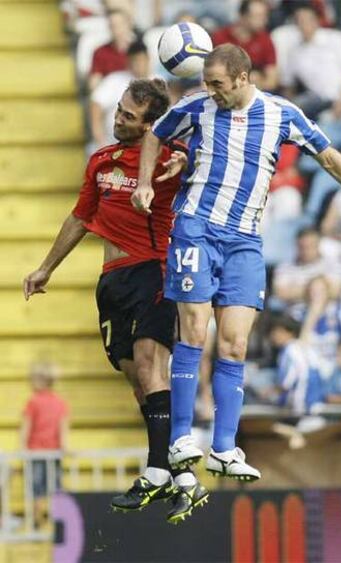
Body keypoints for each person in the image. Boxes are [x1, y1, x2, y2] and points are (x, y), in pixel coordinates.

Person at [131, 44, 341, 482]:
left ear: (243, 77)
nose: (211, 90)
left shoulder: (282, 114)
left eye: (218, 84)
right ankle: (183, 437)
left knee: (235, 344)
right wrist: (145, 183)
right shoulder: (196, 108)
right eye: (206, 82)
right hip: (196, 228)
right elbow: (155, 134)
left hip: (244, 240)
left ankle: (224, 447)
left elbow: (328, 155)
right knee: (194, 327)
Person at [23, 79, 207, 525]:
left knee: (150, 368)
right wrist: (47, 267)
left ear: (150, 125)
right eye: (120, 109)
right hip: (112, 284)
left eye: (128, 115)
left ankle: (158, 469)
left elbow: (202, 164)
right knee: (136, 381)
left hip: (154, 272)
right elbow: (81, 216)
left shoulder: (166, 160)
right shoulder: (101, 160)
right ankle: (184, 480)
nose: (118, 117)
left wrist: (185, 158)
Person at [281, 3, 341, 121]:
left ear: (316, 21)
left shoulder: (336, 37)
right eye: (299, 21)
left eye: (308, 20)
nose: (304, 24)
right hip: (320, 100)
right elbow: (288, 85)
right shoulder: (294, 52)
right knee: (291, 109)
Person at [21, 362, 69, 528]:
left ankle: (37, 517)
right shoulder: (60, 402)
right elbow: (63, 427)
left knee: (36, 487)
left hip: (36, 452)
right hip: (53, 453)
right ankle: (56, 517)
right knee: (55, 485)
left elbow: (26, 426)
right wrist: (64, 446)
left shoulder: (32, 402)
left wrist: (22, 448)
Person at [90, 40, 150, 148]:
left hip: (148, 148)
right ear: (128, 62)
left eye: (141, 60)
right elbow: (96, 106)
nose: (139, 65)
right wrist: (100, 141)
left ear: (148, 59)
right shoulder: (114, 80)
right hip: (112, 147)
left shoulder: (159, 83)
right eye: (135, 61)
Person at [212, 0, 278, 91]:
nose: (265, 21)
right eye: (259, 17)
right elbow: (210, 74)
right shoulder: (220, 37)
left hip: (256, 95)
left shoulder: (265, 40)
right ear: (243, 16)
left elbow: (272, 81)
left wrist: (257, 84)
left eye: (265, 16)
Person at [88, 9, 138, 92]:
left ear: (128, 25)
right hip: (110, 97)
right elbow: (94, 84)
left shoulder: (138, 50)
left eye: (119, 25)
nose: (116, 29)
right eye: (112, 25)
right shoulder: (100, 52)